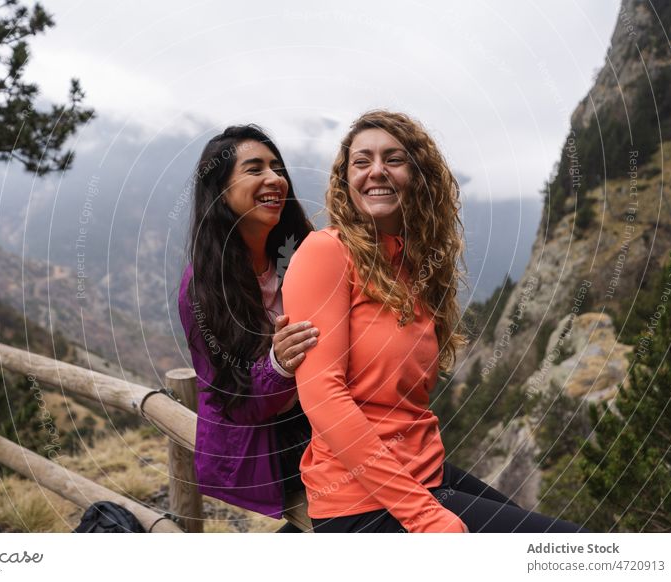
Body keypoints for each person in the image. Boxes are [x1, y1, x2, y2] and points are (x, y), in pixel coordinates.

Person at [282, 110, 587, 533]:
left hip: (426, 473)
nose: (376, 171)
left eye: (394, 158)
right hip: (361, 501)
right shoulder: (326, 253)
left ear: (419, 174)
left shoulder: (415, 265)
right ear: (345, 179)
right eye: (361, 161)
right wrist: (424, 516)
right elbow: (323, 396)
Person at [177, 125, 315, 530]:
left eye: (277, 166)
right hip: (271, 441)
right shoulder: (202, 288)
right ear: (220, 192)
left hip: (324, 410)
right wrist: (279, 364)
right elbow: (235, 400)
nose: (274, 178)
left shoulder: (304, 250)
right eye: (254, 169)